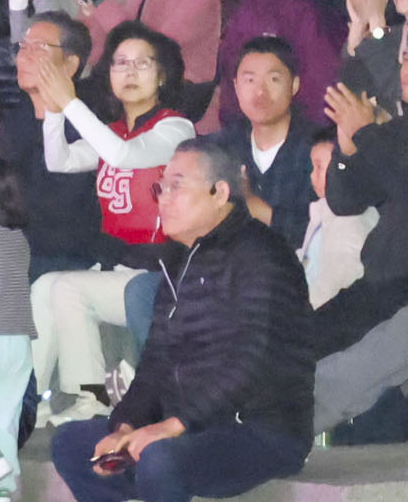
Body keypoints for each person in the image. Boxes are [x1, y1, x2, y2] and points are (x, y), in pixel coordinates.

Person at [44, 143, 315, 502]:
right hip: (194, 423)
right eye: (162, 188)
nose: (163, 198)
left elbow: (252, 361)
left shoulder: (262, 255)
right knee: (73, 443)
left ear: (219, 192)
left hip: (260, 429)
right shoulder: (180, 261)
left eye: (177, 186)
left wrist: (172, 426)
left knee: (158, 458)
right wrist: (124, 425)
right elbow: (157, 359)